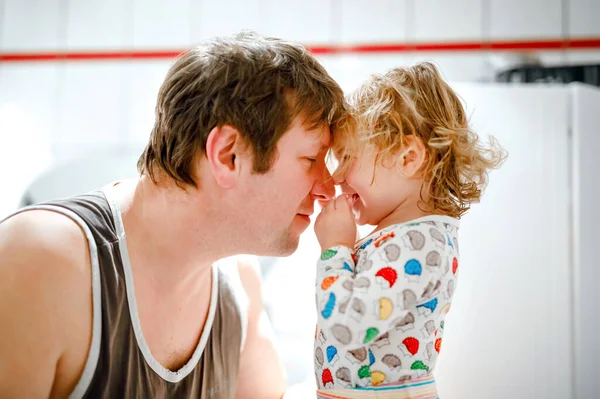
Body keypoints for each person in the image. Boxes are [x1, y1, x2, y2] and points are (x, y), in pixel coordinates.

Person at [0, 31, 346, 399]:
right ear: (229, 154)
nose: (327, 188)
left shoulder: (240, 286)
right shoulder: (42, 261)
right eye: (311, 159)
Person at [312, 62, 506, 398]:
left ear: (407, 159)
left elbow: (347, 326)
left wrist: (335, 249)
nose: (337, 177)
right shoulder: (410, 237)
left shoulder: (418, 243)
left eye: (347, 157)